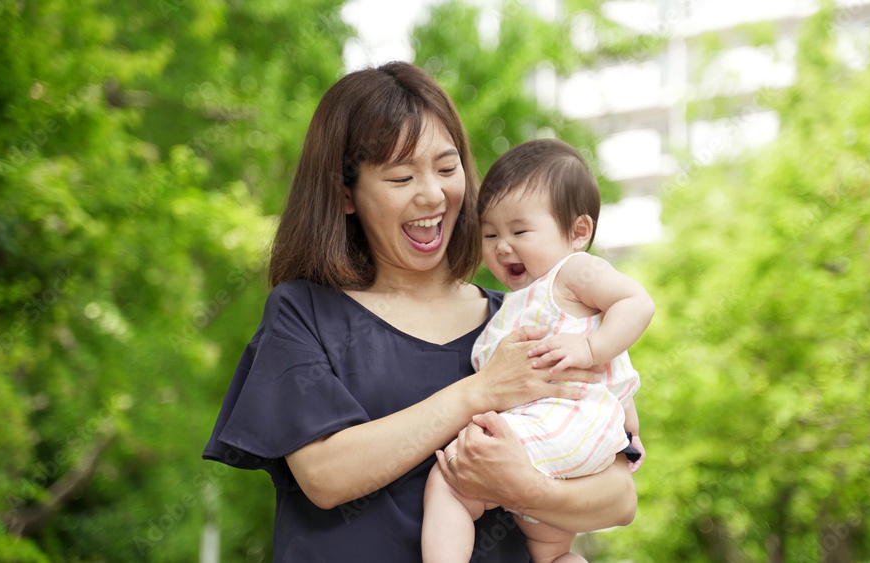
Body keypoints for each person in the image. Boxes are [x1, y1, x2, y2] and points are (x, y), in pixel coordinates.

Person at [202, 62, 637, 562]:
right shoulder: (304, 313)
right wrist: (481, 391)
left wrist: (529, 491)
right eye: (402, 176)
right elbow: (324, 475)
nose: (432, 194)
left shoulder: (521, 322)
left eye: (447, 169)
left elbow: (620, 496)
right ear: (346, 194)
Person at [422, 139, 654, 563]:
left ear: (578, 232)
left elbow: (637, 302)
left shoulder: (572, 272)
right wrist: (628, 428)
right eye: (490, 233)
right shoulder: (518, 302)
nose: (502, 246)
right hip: (569, 439)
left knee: (451, 479)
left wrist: (588, 347)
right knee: (549, 550)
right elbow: (617, 378)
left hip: (558, 426)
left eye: (520, 231)